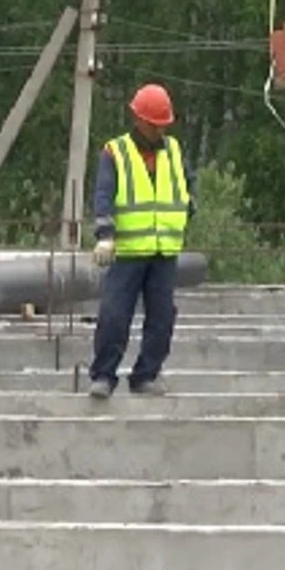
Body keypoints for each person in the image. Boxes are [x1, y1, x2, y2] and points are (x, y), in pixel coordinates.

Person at [86, 82, 195, 399]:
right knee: (115, 315)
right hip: (129, 252)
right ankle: (104, 375)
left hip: (164, 251)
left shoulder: (173, 150)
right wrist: (105, 236)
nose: (159, 131)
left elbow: (188, 184)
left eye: (163, 125)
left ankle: (146, 375)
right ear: (139, 120)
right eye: (154, 125)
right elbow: (103, 195)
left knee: (162, 317)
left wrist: (190, 207)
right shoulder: (115, 152)